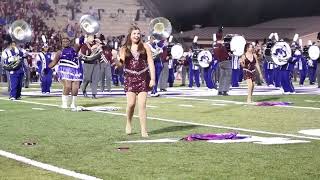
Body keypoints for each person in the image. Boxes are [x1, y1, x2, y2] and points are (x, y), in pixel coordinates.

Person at [109, 25, 155, 137]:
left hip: (143, 78)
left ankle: (144, 130)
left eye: (138, 33)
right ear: (130, 35)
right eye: (134, 33)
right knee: (131, 104)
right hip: (130, 78)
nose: (136, 35)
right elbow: (120, 64)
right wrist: (115, 58)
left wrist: (153, 78)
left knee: (142, 104)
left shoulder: (145, 47)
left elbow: (150, 63)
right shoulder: (124, 48)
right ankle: (128, 123)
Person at [49, 34, 82, 109]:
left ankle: (73, 103)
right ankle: (64, 104)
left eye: (67, 41)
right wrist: (47, 68)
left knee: (75, 88)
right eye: (63, 41)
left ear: (69, 42)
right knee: (67, 86)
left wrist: (84, 34)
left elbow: (80, 43)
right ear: (61, 43)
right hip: (64, 70)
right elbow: (54, 62)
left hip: (75, 70)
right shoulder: (59, 52)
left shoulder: (74, 49)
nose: (65, 42)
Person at [1, 34, 27, 100]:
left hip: (20, 69)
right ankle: (12, 95)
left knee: (19, 84)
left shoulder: (17, 50)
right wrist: (10, 61)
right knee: (14, 83)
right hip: (12, 70)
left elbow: (24, 54)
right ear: (10, 44)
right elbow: (4, 62)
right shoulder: (5, 52)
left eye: (14, 44)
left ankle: (18, 95)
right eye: (13, 44)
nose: (14, 45)